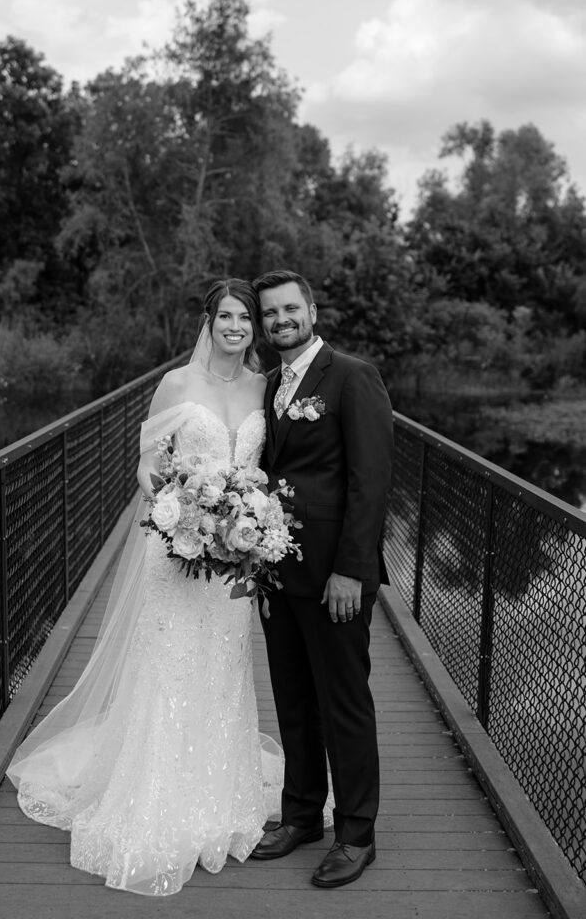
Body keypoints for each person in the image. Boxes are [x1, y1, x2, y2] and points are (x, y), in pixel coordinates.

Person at [7, 278, 282, 896]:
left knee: (222, 669)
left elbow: (263, 470)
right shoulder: (177, 385)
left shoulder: (264, 387)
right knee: (171, 668)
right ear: (209, 323)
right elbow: (146, 465)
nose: (237, 327)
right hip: (181, 554)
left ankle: (222, 789)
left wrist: (249, 522)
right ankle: (156, 791)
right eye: (227, 316)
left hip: (234, 564)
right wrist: (179, 509)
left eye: (246, 318)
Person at [250, 269, 393, 888]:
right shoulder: (273, 384)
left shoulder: (352, 376)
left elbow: (370, 483)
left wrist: (350, 572)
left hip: (335, 576)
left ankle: (356, 833)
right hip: (277, 574)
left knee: (344, 705)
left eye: (289, 309)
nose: (280, 321)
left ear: (311, 309)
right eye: (270, 314)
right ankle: (302, 814)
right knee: (294, 699)